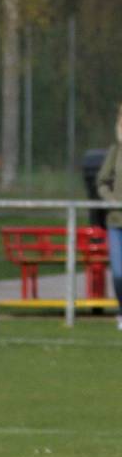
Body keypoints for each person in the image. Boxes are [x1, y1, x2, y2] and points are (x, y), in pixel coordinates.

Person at [96, 102, 122, 331]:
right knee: (118, 273)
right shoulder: (116, 152)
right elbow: (102, 182)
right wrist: (112, 201)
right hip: (116, 221)